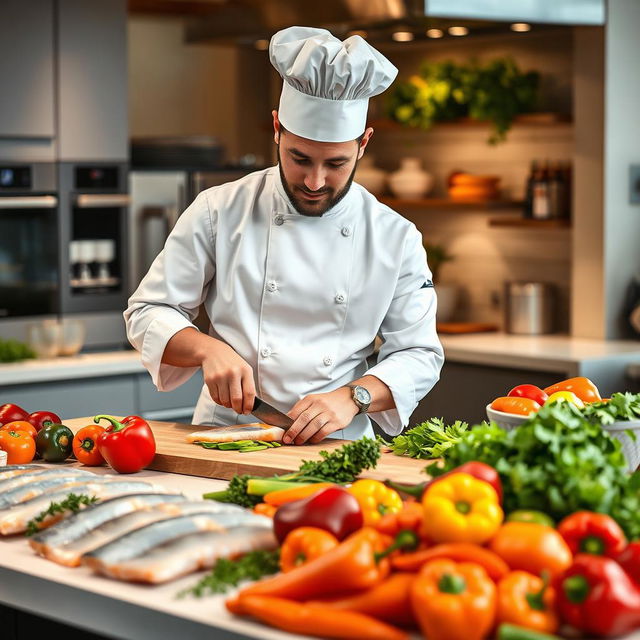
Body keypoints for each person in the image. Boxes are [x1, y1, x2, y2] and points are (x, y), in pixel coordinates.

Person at [124, 26, 444, 445]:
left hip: (340, 442)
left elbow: (419, 354)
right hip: (226, 435)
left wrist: (355, 396)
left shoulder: (394, 237)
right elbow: (148, 311)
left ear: (364, 143)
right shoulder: (219, 209)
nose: (315, 181)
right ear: (277, 128)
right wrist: (207, 349)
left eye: (336, 163)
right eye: (299, 158)